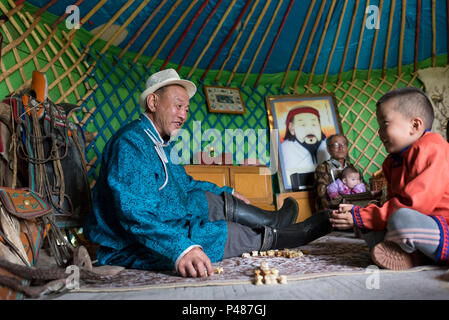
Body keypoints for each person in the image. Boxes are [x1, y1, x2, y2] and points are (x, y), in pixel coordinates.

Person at [83, 69, 334, 278]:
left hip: (167, 214)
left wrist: (228, 191)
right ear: (153, 102)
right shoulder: (131, 144)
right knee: (218, 233)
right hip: (129, 243)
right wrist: (182, 248)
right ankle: (292, 235)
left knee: (203, 197)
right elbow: (134, 214)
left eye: (187, 109)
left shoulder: (160, 143)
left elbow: (185, 183)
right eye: (178, 106)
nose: (183, 115)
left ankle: (272, 220)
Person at [330, 87, 449, 270]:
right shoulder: (392, 162)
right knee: (372, 228)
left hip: (440, 227)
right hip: (417, 230)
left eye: (384, 124)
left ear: (415, 126)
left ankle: (422, 254)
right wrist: (359, 214)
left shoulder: (433, 148)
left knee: (400, 218)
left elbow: (414, 206)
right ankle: (414, 258)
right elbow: (392, 203)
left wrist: (363, 215)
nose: (379, 133)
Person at [314, 134, 368, 210]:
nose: (341, 147)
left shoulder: (353, 168)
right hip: (334, 211)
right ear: (328, 149)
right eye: (336, 144)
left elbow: (364, 188)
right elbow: (323, 196)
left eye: (344, 144)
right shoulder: (323, 168)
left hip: (354, 208)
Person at [281, 106, 330, 190]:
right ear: (291, 128)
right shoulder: (285, 148)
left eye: (314, 124)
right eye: (303, 125)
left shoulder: (329, 145)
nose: (310, 129)